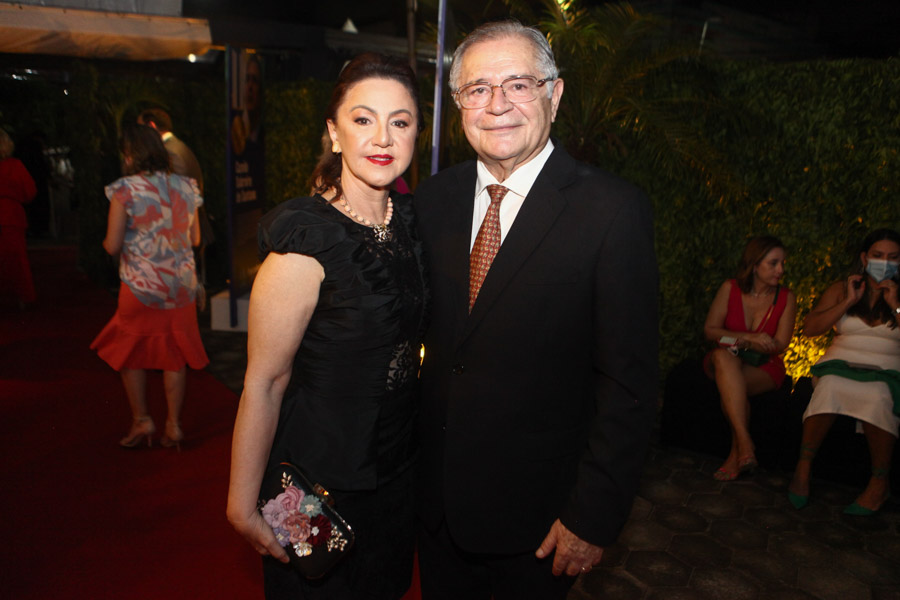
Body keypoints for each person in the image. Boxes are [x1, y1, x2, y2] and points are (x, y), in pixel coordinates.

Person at [414, 20, 659, 599]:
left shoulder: (613, 211)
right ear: (458, 104)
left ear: (555, 94)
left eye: (518, 84)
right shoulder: (432, 200)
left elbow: (628, 385)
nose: (497, 104)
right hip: (435, 509)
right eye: (478, 89)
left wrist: (592, 516)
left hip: (540, 523)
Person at [226, 53, 426, 600]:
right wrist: (241, 504)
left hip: (397, 476)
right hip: (313, 485)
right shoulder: (304, 240)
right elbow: (265, 382)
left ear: (416, 134)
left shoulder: (411, 223)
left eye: (400, 121)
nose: (382, 137)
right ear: (334, 133)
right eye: (363, 119)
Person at [90, 123, 208, 449]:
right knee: (175, 355)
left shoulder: (125, 190)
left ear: (130, 154)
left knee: (130, 353)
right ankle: (174, 425)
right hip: (180, 286)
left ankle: (142, 420)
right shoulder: (186, 186)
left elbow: (112, 245)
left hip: (141, 286)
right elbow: (195, 238)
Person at [788, 228, 900, 515]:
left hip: (887, 369)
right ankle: (803, 467)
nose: (885, 262)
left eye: (893, 257)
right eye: (878, 255)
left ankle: (879, 482)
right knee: (830, 386)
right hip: (840, 363)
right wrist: (848, 301)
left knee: (878, 395)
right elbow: (810, 329)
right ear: (864, 258)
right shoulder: (843, 288)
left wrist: (895, 306)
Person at [702, 236, 798, 480]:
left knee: (732, 388)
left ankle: (738, 452)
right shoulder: (730, 288)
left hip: (764, 364)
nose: (781, 270)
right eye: (773, 263)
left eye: (783, 263)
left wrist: (760, 345)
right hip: (728, 355)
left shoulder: (786, 297)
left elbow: (781, 344)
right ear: (754, 265)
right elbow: (710, 331)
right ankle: (745, 442)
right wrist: (747, 338)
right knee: (723, 358)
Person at [137, 108, 214, 293]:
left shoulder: (171, 153)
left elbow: (179, 199)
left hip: (182, 240)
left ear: (151, 126)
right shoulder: (177, 147)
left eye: (141, 131)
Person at [0, 127, 37, 310]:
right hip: (11, 213)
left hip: (9, 212)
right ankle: (23, 296)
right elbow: (30, 191)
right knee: (17, 259)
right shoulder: (15, 166)